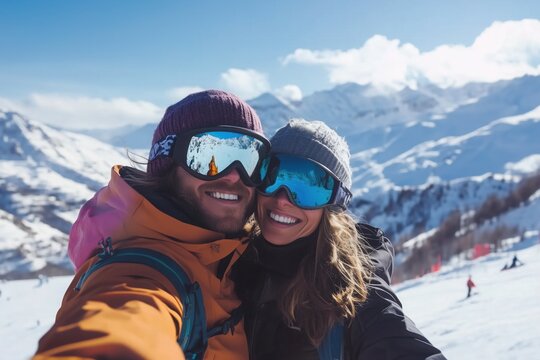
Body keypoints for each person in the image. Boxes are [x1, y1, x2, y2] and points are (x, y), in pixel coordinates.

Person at [34, 90, 271, 359]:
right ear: (168, 164)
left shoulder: (234, 258)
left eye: (251, 158)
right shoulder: (144, 269)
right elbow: (126, 316)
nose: (233, 176)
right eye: (209, 156)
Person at [232, 119, 446, 359]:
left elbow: (393, 339)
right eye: (273, 177)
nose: (283, 199)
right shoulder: (229, 262)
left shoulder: (352, 291)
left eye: (308, 190)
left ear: (332, 207)